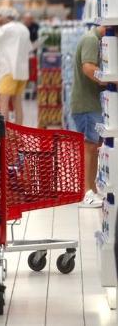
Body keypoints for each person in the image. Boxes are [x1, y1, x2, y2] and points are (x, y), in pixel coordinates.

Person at [71, 24, 106, 208]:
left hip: (90, 104)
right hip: (86, 104)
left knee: (93, 147)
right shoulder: (91, 40)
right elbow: (88, 68)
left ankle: (91, 189)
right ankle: (86, 192)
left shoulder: (95, 40)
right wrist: (110, 79)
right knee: (89, 148)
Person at [0, 7, 31, 125]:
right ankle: (18, 133)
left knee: (3, 101)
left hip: (9, 71)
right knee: (17, 102)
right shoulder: (24, 29)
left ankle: (5, 132)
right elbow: (30, 48)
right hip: (22, 71)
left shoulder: (6, 29)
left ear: (4, 17)